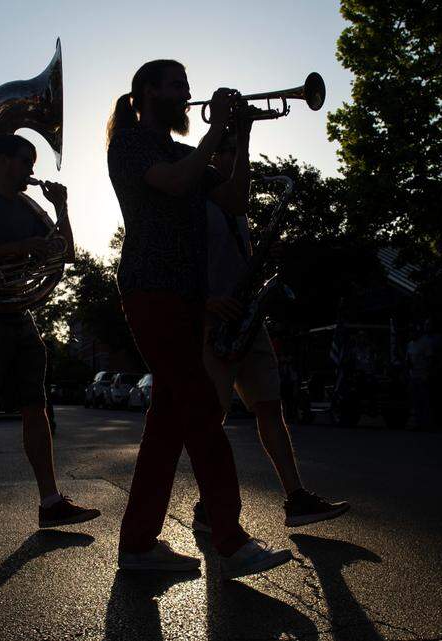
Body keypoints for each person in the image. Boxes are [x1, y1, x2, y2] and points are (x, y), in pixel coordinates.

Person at [107, 59, 292, 578]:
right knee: (202, 414)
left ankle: (139, 544)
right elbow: (173, 183)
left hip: (188, 295)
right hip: (151, 289)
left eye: (187, 85)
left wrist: (244, 137)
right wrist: (216, 132)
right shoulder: (131, 143)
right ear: (145, 92)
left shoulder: (189, 150)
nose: (185, 92)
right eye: (175, 85)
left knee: (167, 423)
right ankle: (231, 539)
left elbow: (235, 200)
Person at [0, 134, 99, 538]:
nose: (33, 169)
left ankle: (50, 502)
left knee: (37, 407)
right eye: (26, 159)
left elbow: (65, 252)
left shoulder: (29, 207)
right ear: (2, 160)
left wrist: (61, 208)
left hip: (17, 312)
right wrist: (15, 248)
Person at [195, 139, 349, 532]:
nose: (237, 164)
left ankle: (296, 497)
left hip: (248, 316)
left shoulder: (238, 210)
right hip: (215, 321)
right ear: (214, 158)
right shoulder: (195, 205)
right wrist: (206, 302)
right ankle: (205, 504)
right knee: (212, 418)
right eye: (231, 154)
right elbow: (180, 262)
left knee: (270, 408)